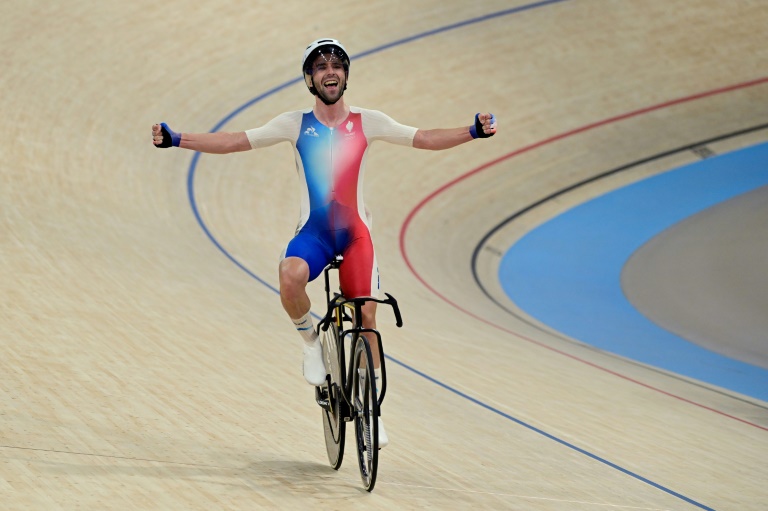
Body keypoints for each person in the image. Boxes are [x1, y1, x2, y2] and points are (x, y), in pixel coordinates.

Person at [153, 38, 496, 448]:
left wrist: (472, 131)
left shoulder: (370, 121)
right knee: (289, 276)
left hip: (355, 236)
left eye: (336, 64)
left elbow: (423, 138)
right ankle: (312, 342)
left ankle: (372, 412)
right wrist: (177, 139)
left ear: (346, 74)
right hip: (314, 232)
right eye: (320, 66)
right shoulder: (293, 124)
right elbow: (233, 142)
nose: (329, 70)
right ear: (309, 79)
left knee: (368, 319)